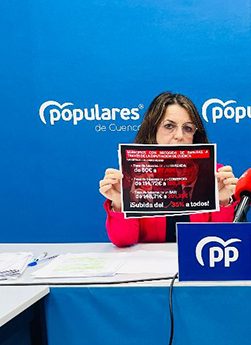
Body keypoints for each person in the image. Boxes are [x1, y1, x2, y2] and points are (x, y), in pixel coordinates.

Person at [99, 92, 238, 246]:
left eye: (188, 128)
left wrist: (223, 201)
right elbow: (124, 240)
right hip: (149, 260)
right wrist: (120, 204)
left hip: (199, 256)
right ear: (153, 129)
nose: (179, 135)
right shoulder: (136, 173)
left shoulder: (215, 174)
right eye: (169, 126)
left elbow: (222, 240)